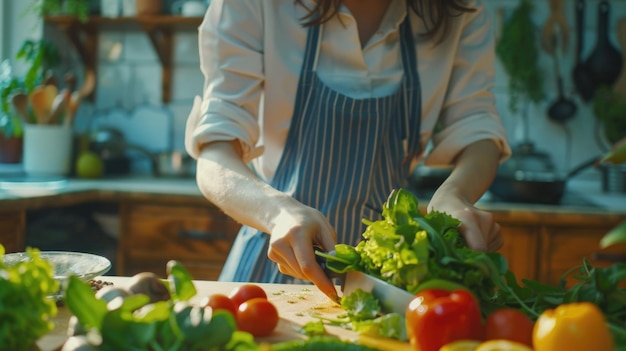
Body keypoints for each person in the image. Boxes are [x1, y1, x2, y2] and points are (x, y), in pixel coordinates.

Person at [185, 0, 511, 301]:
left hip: (389, 280)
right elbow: (215, 154)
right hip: (271, 270)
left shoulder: (460, 9)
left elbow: (476, 125)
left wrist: (455, 195)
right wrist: (278, 212)